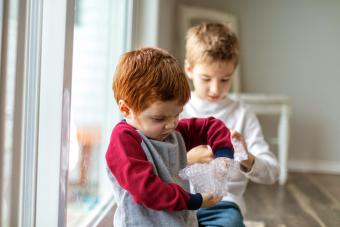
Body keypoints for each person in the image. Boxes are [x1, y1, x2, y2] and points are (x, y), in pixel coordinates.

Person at [105, 47, 236, 227]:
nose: (172, 124)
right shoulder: (124, 140)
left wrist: (223, 157)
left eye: (177, 114)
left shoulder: (174, 133)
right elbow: (147, 190)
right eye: (159, 118)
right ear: (126, 109)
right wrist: (195, 201)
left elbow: (212, 126)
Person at [181, 22, 280, 227]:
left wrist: (247, 157)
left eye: (225, 79)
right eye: (206, 78)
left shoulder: (243, 114)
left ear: (233, 72)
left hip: (223, 205)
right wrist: (187, 159)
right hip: (179, 201)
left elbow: (272, 172)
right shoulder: (176, 110)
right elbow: (155, 163)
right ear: (189, 70)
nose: (215, 89)